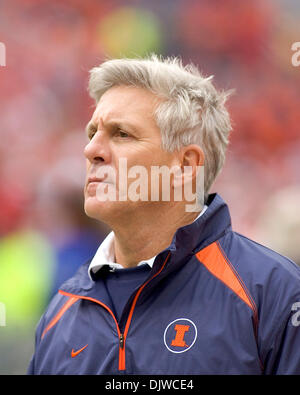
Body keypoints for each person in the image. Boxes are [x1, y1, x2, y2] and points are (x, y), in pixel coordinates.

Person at [28, 55, 300, 375]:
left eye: (121, 134)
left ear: (185, 166)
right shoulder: (61, 311)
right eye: (92, 133)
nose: (91, 150)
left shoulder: (276, 294)